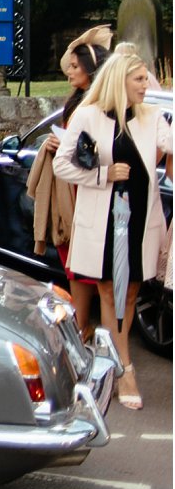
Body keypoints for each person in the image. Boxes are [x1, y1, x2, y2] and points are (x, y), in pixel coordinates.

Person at [54, 52, 172, 411]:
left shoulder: (152, 116)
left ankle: (112, 364)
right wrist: (103, 175)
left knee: (131, 292)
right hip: (103, 219)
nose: (146, 86)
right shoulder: (88, 115)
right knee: (108, 290)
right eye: (139, 80)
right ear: (120, 80)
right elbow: (63, 164)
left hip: (138, 218)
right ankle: (123, 369)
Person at [28, 25, 112, 340]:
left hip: (89, 188)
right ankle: (80, 325)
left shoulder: (101, 105)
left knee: (90, 262)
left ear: (91, 70)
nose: (68, 73)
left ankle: (90, 329)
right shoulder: (75, 102)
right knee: (71, 255)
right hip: (71, 186)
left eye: (75, 67)